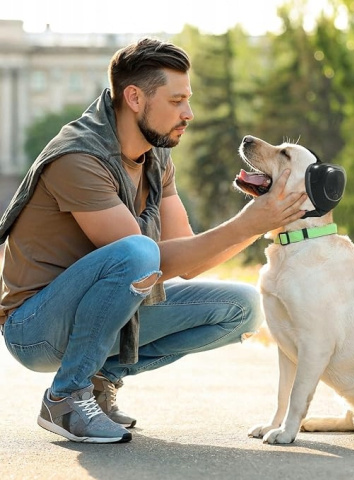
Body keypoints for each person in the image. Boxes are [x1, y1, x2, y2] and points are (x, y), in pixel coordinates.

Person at [0, 38, 306, 444]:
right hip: (35, 327)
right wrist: (247, 222)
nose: (189, 114)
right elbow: (146, 260)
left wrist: (257, 222)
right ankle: (66, 397)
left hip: (102, 310)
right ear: (135, 98)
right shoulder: (78, 158)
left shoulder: (157, 156)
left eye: (188, 100)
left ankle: (97, 380)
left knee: (242, 307)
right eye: (176, 101)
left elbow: (189, 258)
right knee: (139, 251)